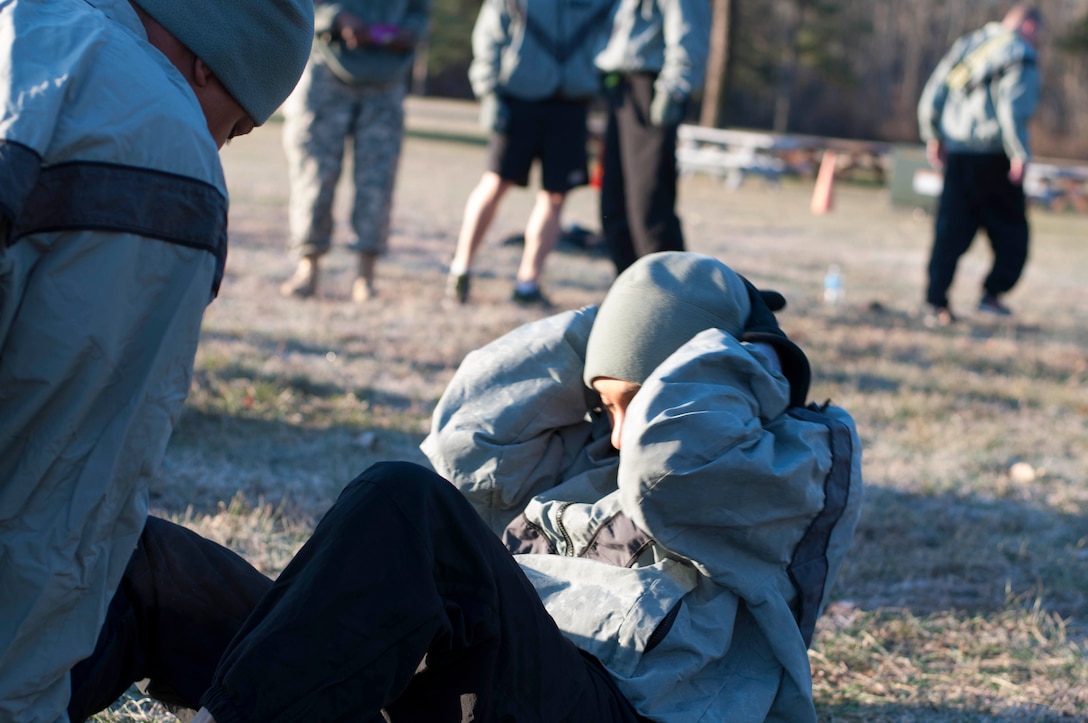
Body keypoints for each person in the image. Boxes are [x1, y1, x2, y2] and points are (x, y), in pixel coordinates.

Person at [74, 252, 858, 722]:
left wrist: (732, 347)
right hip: (466, 686)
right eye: (606, 404)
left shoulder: (785, 466)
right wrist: (611, 322)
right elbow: (462, 449)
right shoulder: (580, 444)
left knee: (403, 505)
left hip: (615, 708)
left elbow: (668, 466)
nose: (616, 432)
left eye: (631, 405)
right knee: (150, 564)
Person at [0, 0, 313, 720]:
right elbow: (57, 504)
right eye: (234, 128)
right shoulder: (163, 141)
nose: (222, 146)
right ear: (210, 60)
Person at [446, 0, 615, 307]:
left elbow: (613, 37)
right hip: (518, 98)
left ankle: (527, 283)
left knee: (555, 195)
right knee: (496, 183)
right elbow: (489, 37)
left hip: (571, 104)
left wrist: (604, 85)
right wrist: (488, 93)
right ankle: (461, 269)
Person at [279, 0, 432, 303]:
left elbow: (420, 12)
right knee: (314, 174)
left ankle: (366, 274)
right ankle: (307, 267)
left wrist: (408, 33)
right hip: (327, 71)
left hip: (386, 78)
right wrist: (337, 18)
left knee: (377, 179)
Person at [917, 4, 1042, 326]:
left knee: (950, 233)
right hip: (993, 157)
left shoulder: (972, 44)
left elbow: (935, 90)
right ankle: (992, 295)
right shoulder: (1021, 53)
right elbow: (1013, 109)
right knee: (1013, 235)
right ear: (1029, 26)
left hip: (958, 154)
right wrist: (1019, 153)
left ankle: (935, 303)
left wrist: (933, 134)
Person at [595, 0, 710, 275]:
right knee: (614, 202)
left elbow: (688, 29)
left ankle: (673, 297)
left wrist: (674, 88)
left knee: (648, 203)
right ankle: (629, 292)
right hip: (621, 86)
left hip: (653, 87)